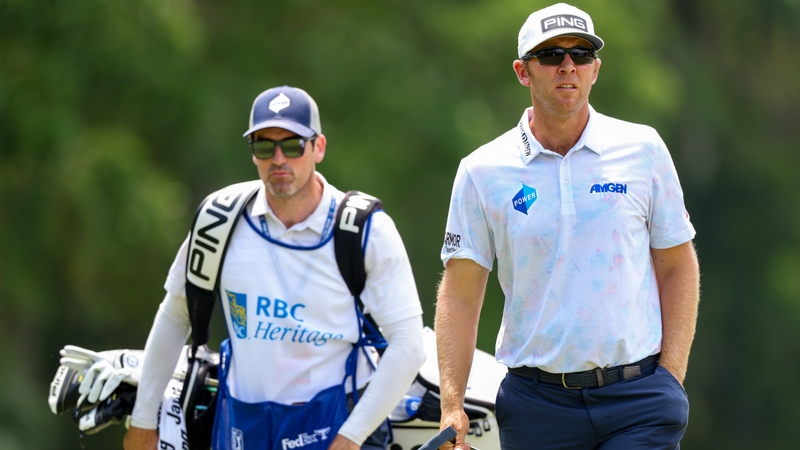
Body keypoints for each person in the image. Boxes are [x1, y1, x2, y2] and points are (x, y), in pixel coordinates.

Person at [435, 3, 700, 449]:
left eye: (580, 55)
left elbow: (677, 264)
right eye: (551, 55)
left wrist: (670, 376)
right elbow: (460, 293)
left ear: (595, 69)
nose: (567, 66)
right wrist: (451, 403)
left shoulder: (643, 149)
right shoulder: (482, 170)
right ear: (523, 71)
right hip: (536, 404)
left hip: (638, 398)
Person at [123, 85, 426, 450]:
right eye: (264, 145)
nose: (278, 158)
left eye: (293, 145)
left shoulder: (365, 229)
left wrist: (351, 437)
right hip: (241, 426)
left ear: (319, 147)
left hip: (335, 424)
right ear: (253, 154)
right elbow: (175, 317)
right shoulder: (218, 221)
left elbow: (408, 345)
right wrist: (143, 419)